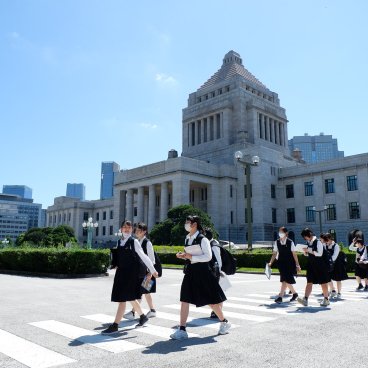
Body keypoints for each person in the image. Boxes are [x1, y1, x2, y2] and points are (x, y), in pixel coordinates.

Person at [170, 215, 231, 340]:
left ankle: (224, 322)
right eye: (186, 221)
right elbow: (190, 254)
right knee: (184, 299)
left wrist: (191, 257)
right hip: (191, 271)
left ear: (195, 224)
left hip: (203, 272)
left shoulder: (203, 239)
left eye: (188, 222)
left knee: (211, 301)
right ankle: (182, 329)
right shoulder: (187, 238)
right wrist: (184, 256)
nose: (186, 224)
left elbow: (208, 257)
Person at [101, 220, 158, 334]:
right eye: (124, 227)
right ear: (121, 229)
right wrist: (114, 265)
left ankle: (115, 325)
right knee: (129, 297)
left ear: (131, 229)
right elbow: (118, 258)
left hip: (131, 274)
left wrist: (152, 270)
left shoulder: (134, 242)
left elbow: (144, 257)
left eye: (129, 228)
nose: (127, 230)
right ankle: (142, 317)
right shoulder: (119, 242)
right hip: (121, 274)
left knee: (125, 298)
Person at [124, 222, 157, 320]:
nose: (137, 232)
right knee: (144, 292)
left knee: (143, 292)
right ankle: (150, 311)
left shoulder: (147, 243)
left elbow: (152, 259)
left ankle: (135, 312)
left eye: (139, 230)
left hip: (147, 273)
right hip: (141, 272)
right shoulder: (138, 241)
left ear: (144, 232)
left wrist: (150, 273)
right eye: (136, 230)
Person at [297, 228, 331, 307]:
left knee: (323, 282)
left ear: (309, 235)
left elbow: (319, 253)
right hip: (311, 265)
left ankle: (326, 299)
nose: (305, 238)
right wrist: (305, 252)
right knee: (309, 282)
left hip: (320, 265)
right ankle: (305, 299)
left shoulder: (318, 242)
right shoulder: (308, 242)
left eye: (305, 236)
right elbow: (309, 254)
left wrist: (308, 250)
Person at [268, 227, 300, 303]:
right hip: (281, 263)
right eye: (279, 232)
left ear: (286, 233)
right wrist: (270, 262)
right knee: (285, 280)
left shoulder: (290, 242)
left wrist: (297, 265)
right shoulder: (277, 242)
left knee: (284, 280)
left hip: (289, 263)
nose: (280, 233)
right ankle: (294, 294)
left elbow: (294, 254)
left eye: (281, 232)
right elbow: (274, 253)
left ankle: (281, 297)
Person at [204, 228, 224, 319]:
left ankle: (217, 312)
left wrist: (217, 273)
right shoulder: (210, 244)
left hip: (214, 273)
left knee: (215, 294)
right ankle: (216, 311)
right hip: (211, 272)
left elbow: (218, 261)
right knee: (214, 294)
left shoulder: (213, 245)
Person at [321, 233, 348, 299]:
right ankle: (333, 290)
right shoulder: (324, 245)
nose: (325, 241)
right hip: (329, 263)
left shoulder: (336, 246)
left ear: (330, 239)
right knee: (328, 278)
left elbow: (335, 256)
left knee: (338, 279)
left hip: (337, 263)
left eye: (326, 240)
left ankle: (339, 293)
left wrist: (328, 261)